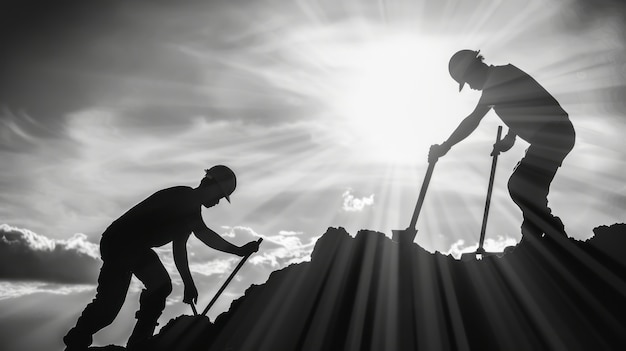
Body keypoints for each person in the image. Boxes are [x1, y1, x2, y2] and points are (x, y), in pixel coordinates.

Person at [63, 165, 260, 350]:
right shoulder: (184, 199)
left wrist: (188, 283)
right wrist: (239, 250)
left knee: (158, 288)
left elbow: (179, 248)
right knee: (110, 307)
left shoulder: (189, 205)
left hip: (133, 246)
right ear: (210, 185)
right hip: (121, 243)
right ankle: (81, 341)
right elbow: (204, 234)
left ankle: (138, 341)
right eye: (219, 195)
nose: (218, 202)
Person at [429, 50, 575, 244]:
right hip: (553, 135)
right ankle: (537, 238)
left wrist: (445, 146)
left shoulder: (497, 80)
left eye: (468, 81)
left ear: (473, 70)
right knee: (527, 189)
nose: (471, 87)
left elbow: (473, 120)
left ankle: (549, 233)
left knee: (520, 186)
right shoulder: (500, 79)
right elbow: (523, 106)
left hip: (554, 134)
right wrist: (509, 138)